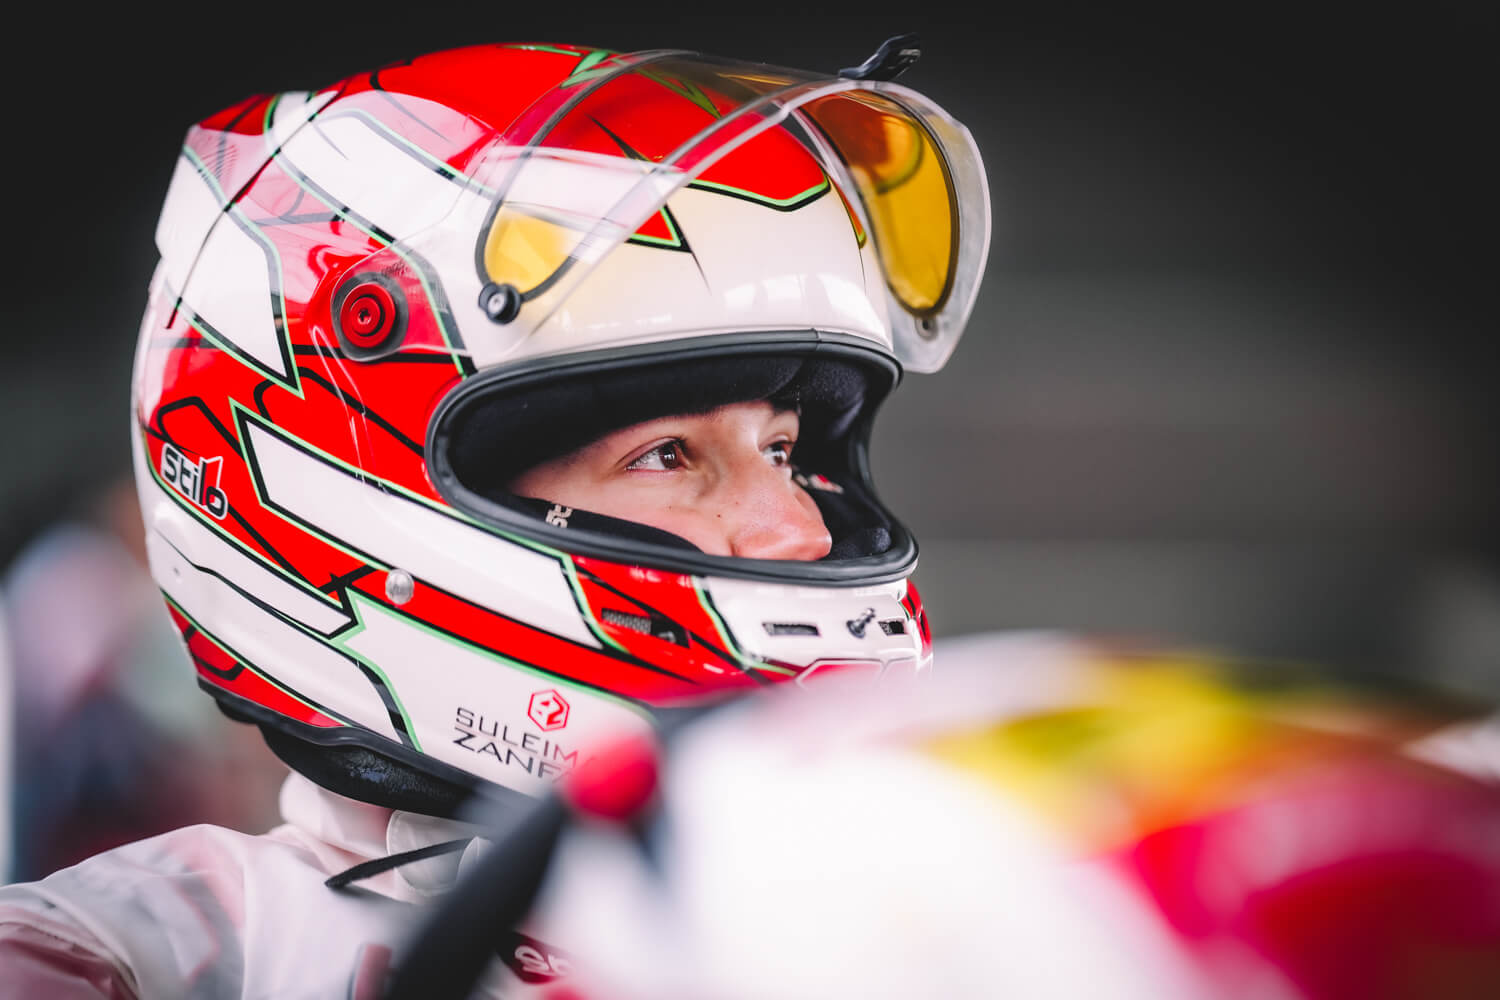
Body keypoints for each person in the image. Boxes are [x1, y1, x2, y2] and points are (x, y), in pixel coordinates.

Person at [0, 36, 991, 997]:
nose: (802, 529)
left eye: (781, 449)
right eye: (666, 455)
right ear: (365, 498)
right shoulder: (149, 954)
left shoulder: (945, 919)